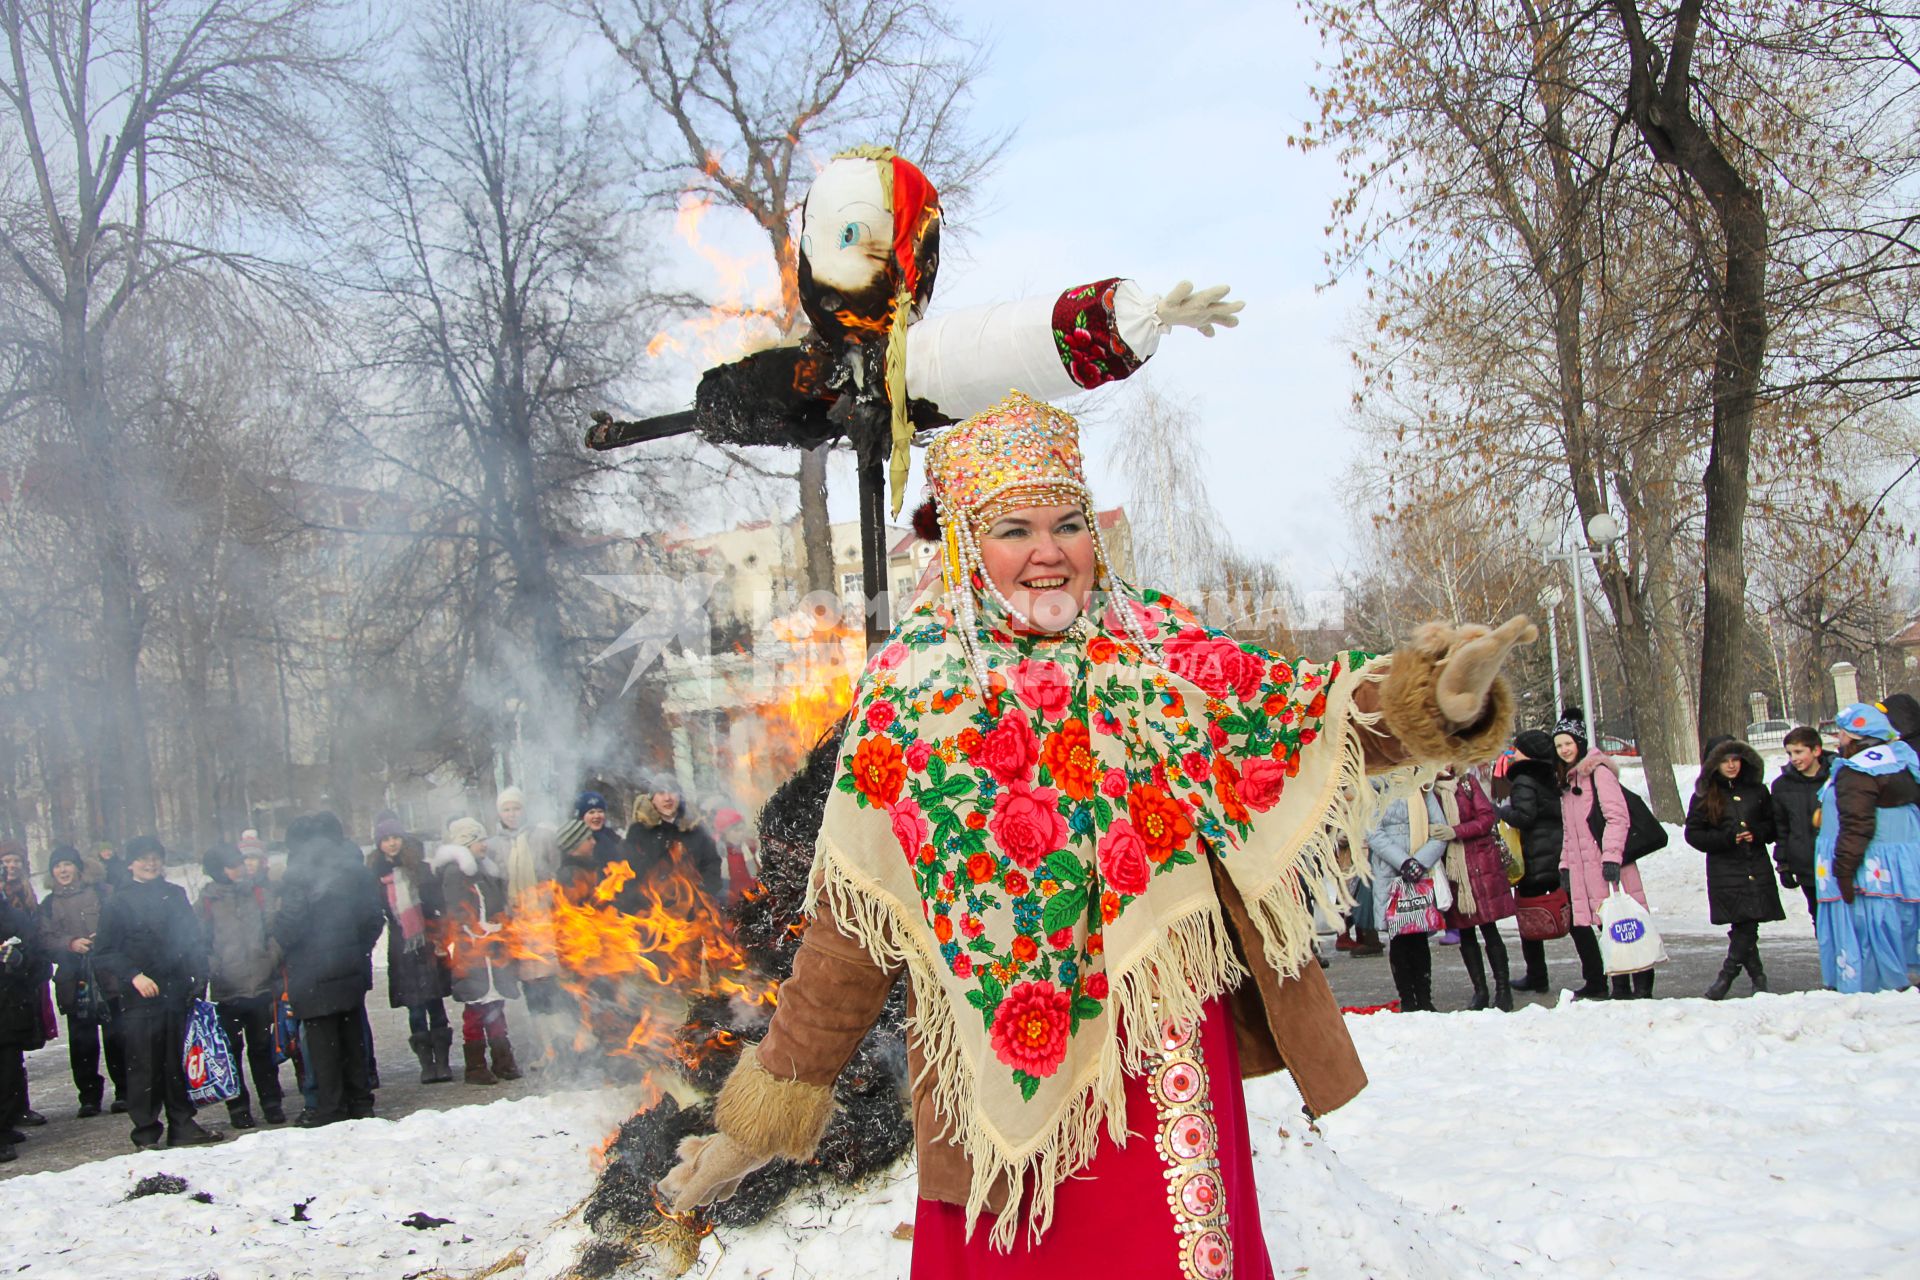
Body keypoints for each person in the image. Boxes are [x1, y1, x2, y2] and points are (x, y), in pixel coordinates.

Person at [657, 391, 1531, 1267]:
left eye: (1068, 523)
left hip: (1160, 1058)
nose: (1049, 553)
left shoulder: (1154, 648)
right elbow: (852, 934)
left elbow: (1288, 714)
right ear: (965, 548)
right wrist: (759, 1120)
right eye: (1015, 530)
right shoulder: (910, 696)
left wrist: (1433, 702)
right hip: (996, 1098)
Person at [93, 835, 221, 1149]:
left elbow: (192, 938)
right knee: (144, 1065)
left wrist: (198, 976)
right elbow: (104, 952)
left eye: (155, 858)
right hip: (139, 997)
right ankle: (146, 1132)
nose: (150, 864)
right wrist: (134, 976)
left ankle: (183, 1125)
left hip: (176, 991)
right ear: (130, 863)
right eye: (143, 858)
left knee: (176, 1061)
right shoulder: (118, 901)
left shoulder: (174, 895)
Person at [273, 813, 385, 1127]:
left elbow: (291, 925)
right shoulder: (355, 871)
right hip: (350, 968)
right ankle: (361, 1102)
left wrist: (275, 930)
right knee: (353, 1038)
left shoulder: (299, 875)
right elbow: (374, 919)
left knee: (323, 1047)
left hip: (313, 972)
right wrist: (355, 948)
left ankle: (331, 1108)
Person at [1815, 702, 1920, 993]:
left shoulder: (1858, 771)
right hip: (1900, 871)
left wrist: (1843, 870)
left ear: (1856, 736)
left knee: (1872, 934)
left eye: (1842, 733)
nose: (1838, 739)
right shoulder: (1901, 760)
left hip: (1871, 874)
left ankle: (1881, 988)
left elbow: (1857, 824)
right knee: (1897, 929)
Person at [1554, 711, 1655, 999]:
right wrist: (1565, 865)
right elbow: (1569, 831)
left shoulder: (1598, 772)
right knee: (1607, 927)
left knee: (1628, 925)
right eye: (1559, 745)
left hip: (1609, 865)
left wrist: (1611, 857)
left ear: (1580, 742)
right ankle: (1620, 987)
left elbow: (1617, 817)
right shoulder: (1567, 781)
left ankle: (1643, 987)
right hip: (1585, 869)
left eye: (1568, 743)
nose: (1564, 750)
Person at [1684, 737, 1783, 999]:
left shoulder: (1757, 791)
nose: (1731, 765)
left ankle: (1729, 976)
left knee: (1747, 923)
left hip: (1755, 865)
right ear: (1714, 764)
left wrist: (1757, 833)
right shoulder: (1704, 796)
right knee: (1743, 922)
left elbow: (1773, 825)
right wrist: (1726, 839)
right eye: (1725, 761)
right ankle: (1754, 976)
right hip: (1724, 868)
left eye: (1735, 759)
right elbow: (1693, 834)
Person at [196, 844, 286, 1126]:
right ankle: (238, 1107)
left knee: (263, 1050)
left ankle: (272, 1103)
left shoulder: (258, 894)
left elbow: (275, 930)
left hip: (260, 986)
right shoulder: (206, 903)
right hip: (227, 991)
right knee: (231, 1052)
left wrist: (269, 958)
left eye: (239, 862)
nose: (239, 868)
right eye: (231, 864)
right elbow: (199, 943)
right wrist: (215, 969)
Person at [432, 817, 522, 1085]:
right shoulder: (455, 873)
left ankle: (503, 1059)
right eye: (478, 840)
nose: (484, 845)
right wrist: (475, 932)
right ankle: (475, 1066)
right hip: (472, 951)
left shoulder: (486, 870)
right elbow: (458, 911)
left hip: (492, 948)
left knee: (496, 1005)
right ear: (466, 844)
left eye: (484, 839)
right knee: (475, 1009)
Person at [38, 845, 126, 1116]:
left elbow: (121, 923)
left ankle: (124, 1091)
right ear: (52, 872)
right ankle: (88, 1096)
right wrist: (70, 943)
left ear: (79, 868)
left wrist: (103, 937)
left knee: (117, 1038)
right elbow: (44, 939)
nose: (63, 870)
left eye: (68, 864)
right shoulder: (48, 904)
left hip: (108, 976)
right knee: (82, 1042)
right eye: (58, 866)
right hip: (73, 980)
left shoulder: (102, 892)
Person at [1498, 729, 1585, 993]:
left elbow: (1525, 817)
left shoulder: (1524, 779)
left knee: (1528, 919)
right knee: (1575, 918)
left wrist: (1500, 811)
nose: (1513, 754)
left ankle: (1537, 975)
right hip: (1557, 854)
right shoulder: (1555, 775)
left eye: (1517, 749)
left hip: (1535, 857)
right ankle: (1595, 975)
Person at [369, 818, 454, 1084]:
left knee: (435, 1002)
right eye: (385, 839)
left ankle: (442, 1062)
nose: (391, 843)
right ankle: (426, 1064)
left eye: (395, 837)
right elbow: (375, 912)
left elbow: (436, 904)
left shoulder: (420, 869)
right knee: (415, 1007)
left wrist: (440, 934)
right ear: (379, 844)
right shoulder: (375, 876)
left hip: (427, 941)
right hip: (401, 945)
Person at [1436, 766, 1518, 1010]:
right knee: (1466, 933)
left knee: (1489, 928)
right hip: (1455, 871)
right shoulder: (1429, 791)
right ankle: (1480, 991)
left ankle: (1503, 989)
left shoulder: (1467, 782)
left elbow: (1486, 818)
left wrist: (1455, 831)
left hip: (1480, 865)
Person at [1368, 777, 1451, 1011]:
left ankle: (1425, 997)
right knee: (1399, 937)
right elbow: (1373, 832)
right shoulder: (1376, 788)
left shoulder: (1422, 787)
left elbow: (1439, 830)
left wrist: (1420, 862)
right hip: (1390, 872)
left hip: (1420, 873)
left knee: (1419, 937)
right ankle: (1408, 999)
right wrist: (1403, 862)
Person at [0, 887, 49, 1162]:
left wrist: (20, 961)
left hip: (8, 1010)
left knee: (8, 1075)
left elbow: (41, 965)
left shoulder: (16, 919)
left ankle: (4, 1129)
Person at [625, 774, 722, 903]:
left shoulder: (695, 829)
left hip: (695, 906)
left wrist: (704, 892)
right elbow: (631, 868)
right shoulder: (640, 831)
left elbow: (711, 863)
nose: (667, 798)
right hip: (654, 908)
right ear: (652, 798)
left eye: (672, 792)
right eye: (661, 793)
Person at [1770, 726, 1831, 925]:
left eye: (1799, 752)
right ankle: (1828, 955)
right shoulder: (1782, 786)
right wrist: (1784, 864)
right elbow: (1782, 827)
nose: (1794, 758)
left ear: (1816, 751)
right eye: (1789, 753)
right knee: (1819, 916)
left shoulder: (1837, 778)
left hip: (1835, 861)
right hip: (1806, 863)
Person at [574, 790, 625, 879]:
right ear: (582, 816)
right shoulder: (575, 840)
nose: (597, 816)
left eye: (600, 811)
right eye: (591, 812)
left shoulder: (613, 838)